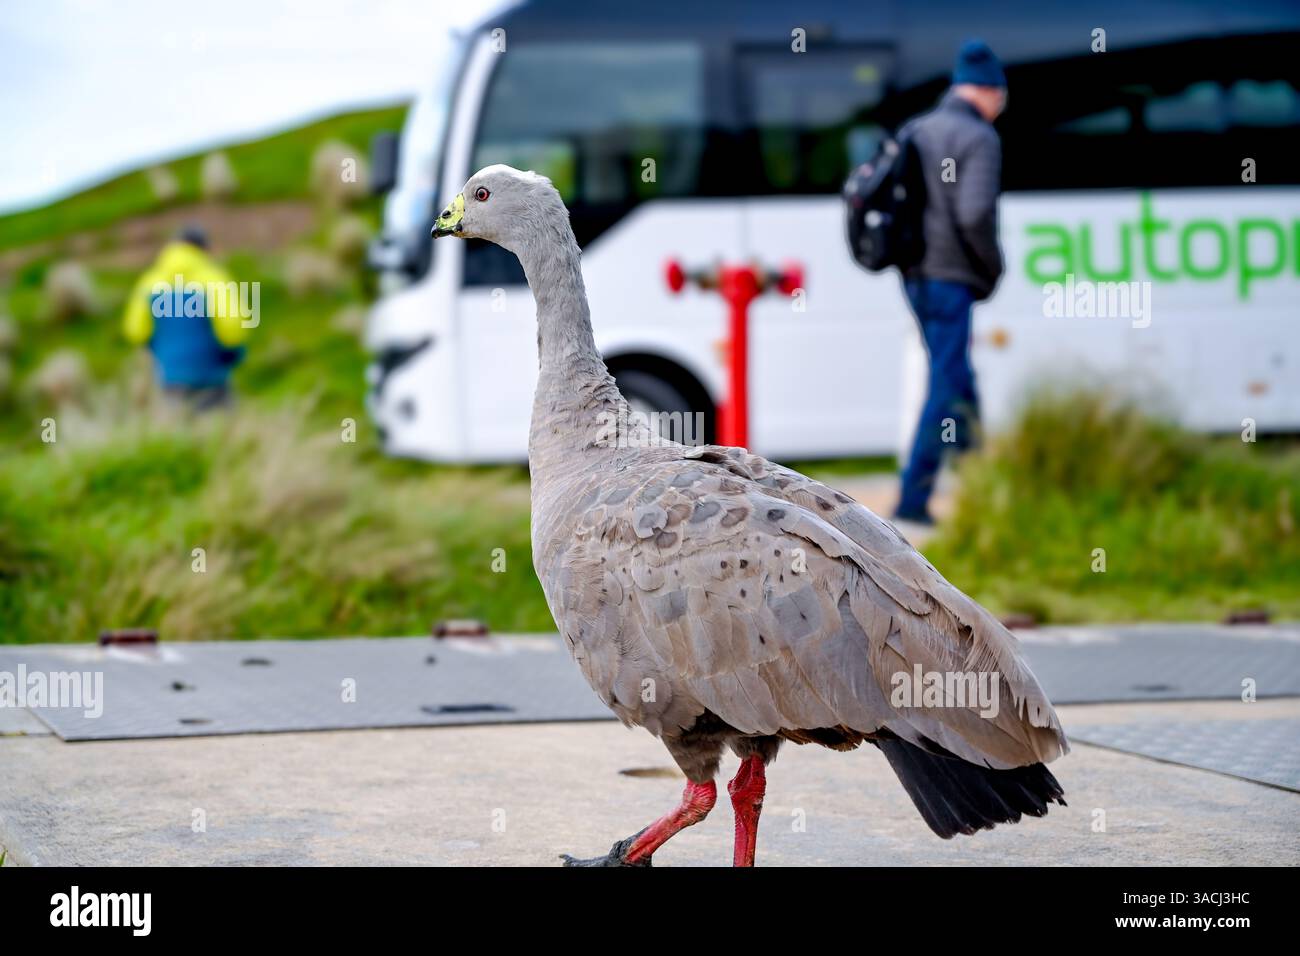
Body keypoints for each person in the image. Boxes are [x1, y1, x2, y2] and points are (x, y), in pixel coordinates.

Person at [894, 39, 1007, 525]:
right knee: (945, 382)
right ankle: (914, 499)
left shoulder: (916, 129)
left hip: (915, 274)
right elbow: (974, 212)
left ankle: (982, 476)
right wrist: (992, 266)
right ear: (988, 91)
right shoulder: (978, 138)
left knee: (957, 373)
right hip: (950, 277)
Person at [122, 225, 248, 410]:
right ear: (204, 249)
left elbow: (136, 331)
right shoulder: (214, 279)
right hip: (211, 376)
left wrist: (161, 348)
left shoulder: (150, 282)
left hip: (169, 376)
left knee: (178, 433)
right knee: (218, 431)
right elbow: (233, 329)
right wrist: (232, 355)